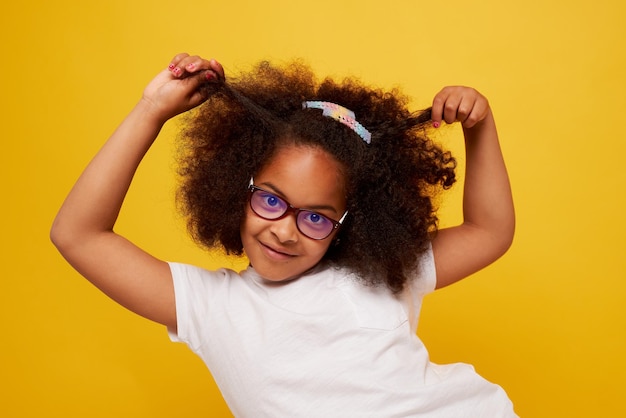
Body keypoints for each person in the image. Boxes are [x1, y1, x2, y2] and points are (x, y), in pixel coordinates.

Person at [51, 53, 517, 417]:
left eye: (316, 218)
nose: (285, 231)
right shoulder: (213, 308)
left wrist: (480, 127)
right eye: (271, 200)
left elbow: (488, 231)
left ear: (350, 222)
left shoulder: (381, 271)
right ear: (237, 186)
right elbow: (78, 234)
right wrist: (152, 108)